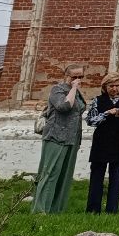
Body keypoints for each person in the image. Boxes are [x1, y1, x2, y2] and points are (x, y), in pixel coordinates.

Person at [34, 65, 88, 213]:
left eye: (80, 77)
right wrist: (73, 88)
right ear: (67, 76)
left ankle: (56, 209)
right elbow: (64, 106)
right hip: (56, 136)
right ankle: (40, 210)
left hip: (72, 138)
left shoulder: (77, 94)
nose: (77, 80)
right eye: (74, 77)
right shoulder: (58, 90)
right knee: (50, 173)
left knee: (64, 176)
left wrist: (75, 90)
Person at [84, 73, 119, 214]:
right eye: (111, 86)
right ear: (105, 87)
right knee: (97, 176)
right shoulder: (98, 100)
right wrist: (107, 113)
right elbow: (90, 120)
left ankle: (112, 210)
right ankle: (93, 209)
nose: (114, 89)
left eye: (116, 86)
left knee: (116, 177)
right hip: (101, 141)